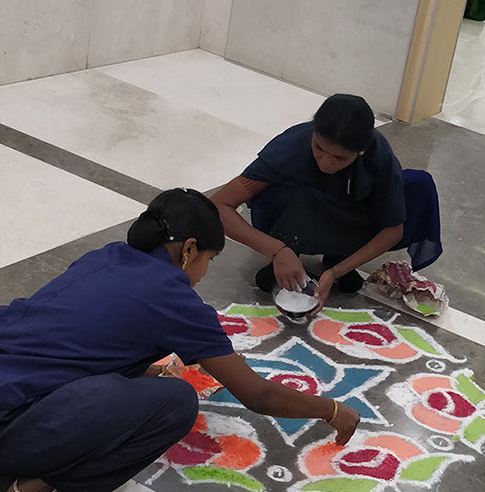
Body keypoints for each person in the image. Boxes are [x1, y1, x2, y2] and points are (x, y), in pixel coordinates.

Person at [0, 189, 360, 492]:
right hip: (11, 426)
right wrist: (330, 409)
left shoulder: (104, 257)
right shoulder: (175, 299)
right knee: (174, 402)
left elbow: (77, 341)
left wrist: (142, 371)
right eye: (210, 259)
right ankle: (33, 487)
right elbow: (258, 395)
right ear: (189, 249)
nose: (204, 273)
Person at [211, 94, 442, 308]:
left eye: (340, 158)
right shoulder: (290, 147)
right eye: (319, 148)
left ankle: (338, 256)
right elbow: (219, 205)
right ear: (313, 132)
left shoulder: (379, 157)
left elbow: (393, 230)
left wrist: (336, 272)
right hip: (296, 219)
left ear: (361, 151)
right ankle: (289, 255)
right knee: (282, 192)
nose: (325, 162)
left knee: (418, 186)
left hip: (346, 218)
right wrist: (277, 250)